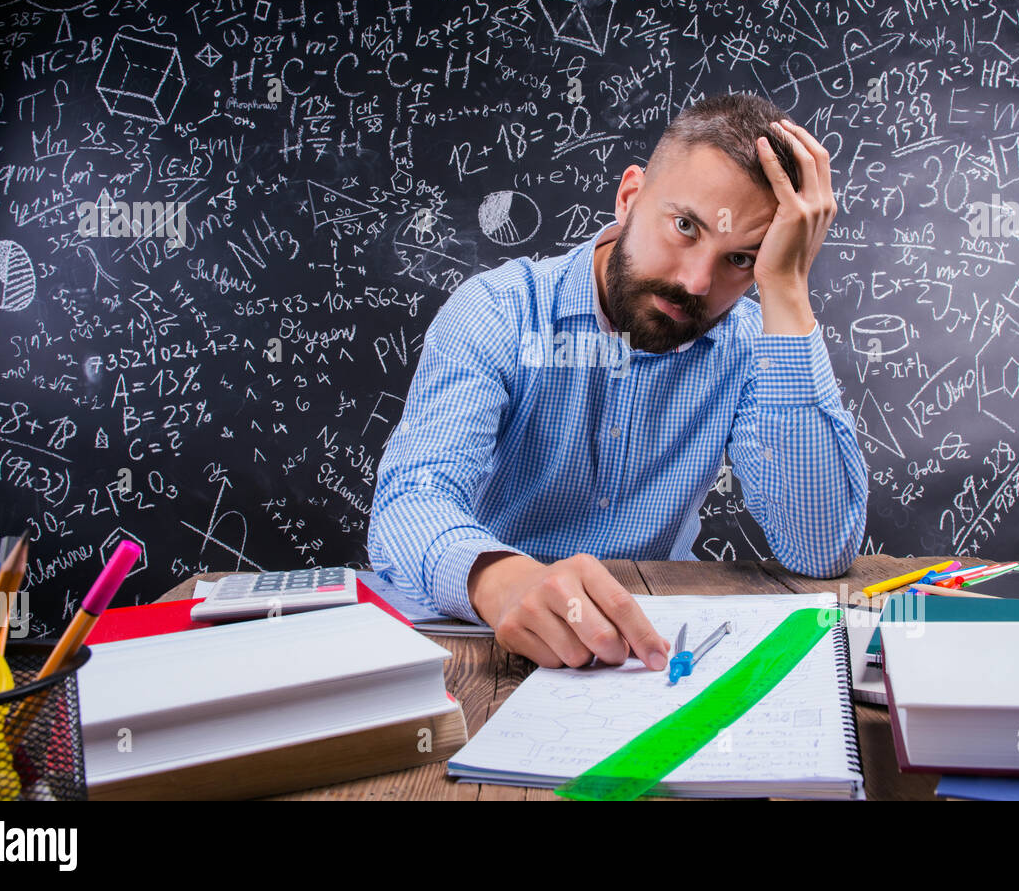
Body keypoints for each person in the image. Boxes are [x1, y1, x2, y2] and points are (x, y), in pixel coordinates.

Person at [368, 91, 868, 669]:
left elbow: (819, 549)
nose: (697, 282)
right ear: (630, 197)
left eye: (741, 260)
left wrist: (785, 288)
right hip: (487, 648)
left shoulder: (755, 344)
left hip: (652, 657)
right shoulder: (500, 311)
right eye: (685, 226)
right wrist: (500, 581)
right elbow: (412, 500)